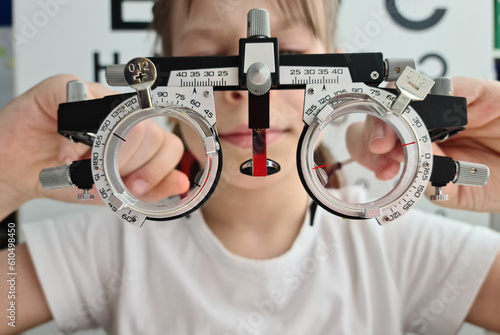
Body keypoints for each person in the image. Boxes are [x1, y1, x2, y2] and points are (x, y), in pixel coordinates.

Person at [0, 0, 499, 334]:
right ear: (160, 79)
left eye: (294, 56)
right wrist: (3, 176)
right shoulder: (109, 248)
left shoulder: (404, 247)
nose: (249, 87)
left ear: (338, 68)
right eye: (204, 61)